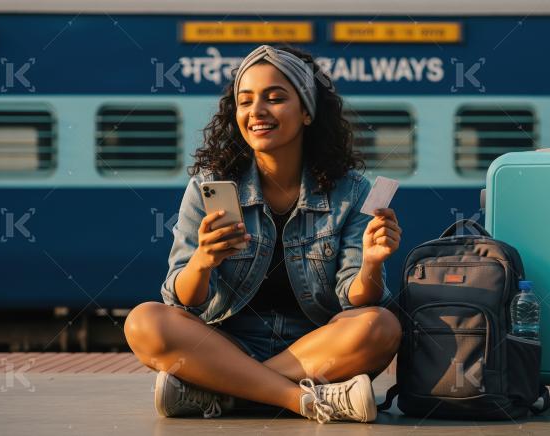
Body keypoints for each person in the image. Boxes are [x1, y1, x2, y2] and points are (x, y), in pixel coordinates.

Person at [124, 45, 403, 424]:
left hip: (316, 346)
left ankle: (223, 391)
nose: (257, 111)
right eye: (245, 101)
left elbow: (356, 300)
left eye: (275, 98)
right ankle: (300, 399)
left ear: (306, 111)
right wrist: (203, 262)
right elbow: (184, 300)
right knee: (143, 322)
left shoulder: (351, 191)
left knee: (381, 326)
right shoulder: (209, 186)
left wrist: (371, 264)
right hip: (226, 344)